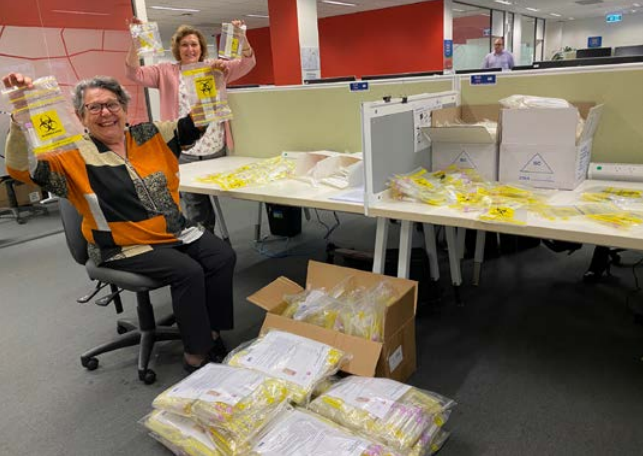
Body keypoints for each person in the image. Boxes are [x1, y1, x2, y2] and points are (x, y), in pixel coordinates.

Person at [3, 73, 236, 373]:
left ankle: (211, 332)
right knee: (188, 272)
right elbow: (22, 169)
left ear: (125, 108)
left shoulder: (151, 135)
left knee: (221, 256)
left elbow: (194, 124)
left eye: (112, 104)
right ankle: (196, 354)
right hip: (121, 244)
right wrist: (21, 111)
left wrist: (213, 83)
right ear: (80, 116)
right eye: (94, 108)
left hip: (171, 230)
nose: (105, 113)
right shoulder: (70, 154)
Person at [125, 19, 256, 233]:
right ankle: (204, 240)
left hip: (215, 146)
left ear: (201, 48)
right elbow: (133, 73)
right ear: (177, 49)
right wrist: (135, 40)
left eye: (194, 44)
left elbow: (248, 62)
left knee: (229, 194)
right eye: (184, 45)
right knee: (195, 204)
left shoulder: (215, 66)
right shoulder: (165, 71)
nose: (190, 49)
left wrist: (241, 37)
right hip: (185, 148)